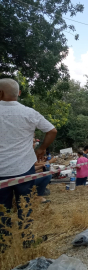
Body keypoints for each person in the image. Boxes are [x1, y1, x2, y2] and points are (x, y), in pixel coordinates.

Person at [0, 78, 57, 232]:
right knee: (25, 207)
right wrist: (42, 148)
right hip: (24, 169)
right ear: (18, 93)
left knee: (2, 211)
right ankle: (27, 240)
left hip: (1, 172)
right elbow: (52, 131)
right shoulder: (29, 112)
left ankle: (4, 244)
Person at [33, 139, 55, 203]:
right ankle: (38, 196)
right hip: (26, 178)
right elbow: (35, 165)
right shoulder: (31, 153)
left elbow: (34, 166)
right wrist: (49, 162)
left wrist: (44, 163)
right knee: (47, 175)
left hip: (29, 175)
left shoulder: (30, 152)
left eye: (34, 142)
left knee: (46, 172)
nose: (34, 144)